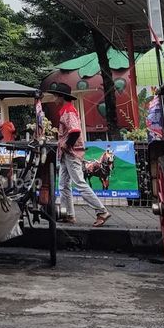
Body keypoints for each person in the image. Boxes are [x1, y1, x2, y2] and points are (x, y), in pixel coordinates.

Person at [54, 85, 110, 226]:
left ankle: (101, 211)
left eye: (56, 96)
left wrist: (67, 145)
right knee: (63, 185)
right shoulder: (66, 111)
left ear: (61, 97)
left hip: (70, 152)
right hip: (66, 154)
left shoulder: (68, 111)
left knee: (79, 182)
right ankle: (69, 214)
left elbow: (75, 131)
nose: (55, 99)